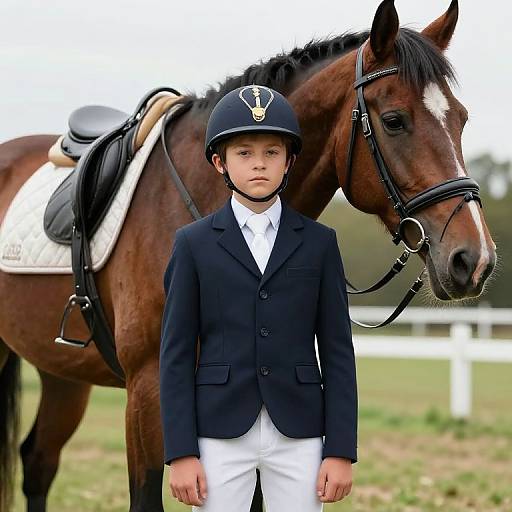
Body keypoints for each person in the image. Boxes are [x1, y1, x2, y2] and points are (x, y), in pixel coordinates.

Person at [159, 84, 358, 511]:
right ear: (220, 162)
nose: (259, 165)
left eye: (271, 152)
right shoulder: (192, 244)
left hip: (300, 431)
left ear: (289, 162)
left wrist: (340, 449)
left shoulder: (320, 243)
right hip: (218, 432)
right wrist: (180, 452)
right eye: (244, 153)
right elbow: (175, 354)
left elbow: (339, 351)